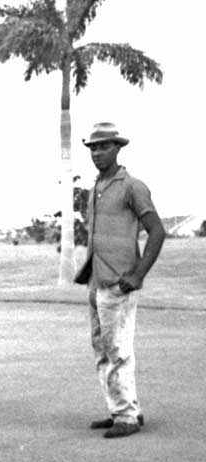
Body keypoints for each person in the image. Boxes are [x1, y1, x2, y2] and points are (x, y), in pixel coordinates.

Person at [74, 122, 165, 438]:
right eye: (93, 148)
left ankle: (127, 416)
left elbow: (157, 231)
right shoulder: (97, 188)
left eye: (104, 146)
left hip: (120, 282)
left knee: (118, 347)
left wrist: (138, 275)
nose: (97, 152)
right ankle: (122, 410)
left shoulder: (132, 186)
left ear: (118, 148)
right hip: (97, 281)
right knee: (101, 347)